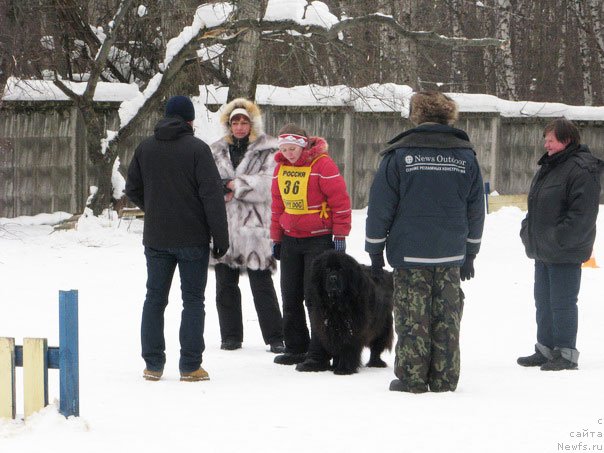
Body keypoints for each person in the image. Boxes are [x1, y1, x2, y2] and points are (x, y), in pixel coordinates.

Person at [365, 91, 485, 393]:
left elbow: (381, 207)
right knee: (447, 317)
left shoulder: (399, 156)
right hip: (450, 254)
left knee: (411, 317)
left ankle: (412, 377)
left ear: (416, 116)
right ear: (449, 116)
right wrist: (470, 252)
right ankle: (444, 378)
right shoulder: (465, 156)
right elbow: (475, 209)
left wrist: (375, 250)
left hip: (410, 254)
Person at [125, 95, 229, 382]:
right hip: (192, 238)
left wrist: (155, 207)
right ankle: (190, 366)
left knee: (154, 299)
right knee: (193, 301)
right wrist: (221, 236)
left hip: (156, 237)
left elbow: (132, 187)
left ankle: (153, 365)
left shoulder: (145, 148)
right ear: (190, 120)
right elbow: (211, 197)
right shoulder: (197, 150)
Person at [518, 118, 603, 371]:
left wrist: (557, 238)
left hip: (564, 250)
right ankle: (545, 349)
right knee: (543, 301)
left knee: (562, 302)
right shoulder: (551, 165)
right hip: (544, 248)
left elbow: (582, 215)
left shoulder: (581, 168)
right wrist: (527, 229)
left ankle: (565, 353)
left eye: (551, 140)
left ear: (566, 140)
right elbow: (537, 204)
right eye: (546, 140)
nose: (546, 145)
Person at [270, 123, 352, 368]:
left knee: (314, 296)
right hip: (290, 239)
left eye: (293, 148)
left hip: (318, 239)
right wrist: (276, 237)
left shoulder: (322, 165)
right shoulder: (280, 168)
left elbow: (340, 201)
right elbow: (277, 206)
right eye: (284, 148)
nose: (289, 153)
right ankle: (296, 346)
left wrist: (340, 234)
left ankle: (319, 351)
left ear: (303, 145)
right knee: (290, 294)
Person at [209, 98, 284, 353]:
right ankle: (230, 336)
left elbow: (269, 185)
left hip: (255, 227)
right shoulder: (215, 150)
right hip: (225, 226)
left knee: (262, 285)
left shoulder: (268, 149)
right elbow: (208, 183)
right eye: (235, 122)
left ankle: (276, 337)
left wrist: (234, 185)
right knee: (225, 285)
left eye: (244, 121)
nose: (239, 126)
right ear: (228, 124)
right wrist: (221, 187)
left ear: (251, 123)